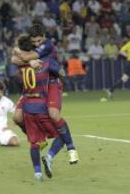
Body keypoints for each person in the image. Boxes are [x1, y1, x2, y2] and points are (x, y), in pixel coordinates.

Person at [11, 25, 79, 165]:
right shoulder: (32, 46)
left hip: (52, 81)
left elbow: (22, 56)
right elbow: (14, 60)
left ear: (44, 36)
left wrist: (20, 53)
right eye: (34, 42)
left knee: (53, 114)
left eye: (39, 41)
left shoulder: (47, 45)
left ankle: (71, 148)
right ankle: (38, 139)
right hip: (35, 84)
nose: (36, 44)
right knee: (17, 118)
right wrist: (28, 60)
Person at [19, 49, 66, 181]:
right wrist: (60, 72)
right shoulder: (47, 66)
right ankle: (49, 156)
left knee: (34, 143)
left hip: (28, 108)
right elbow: (62, 73)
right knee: (62, 135)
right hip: (42, 109)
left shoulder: (25, 66)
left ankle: (37, 173)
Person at [107, 31, 130, 99]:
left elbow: (121, 51)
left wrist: (127, 56)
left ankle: (111, 90)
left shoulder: (129, 43)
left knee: (128, 78)